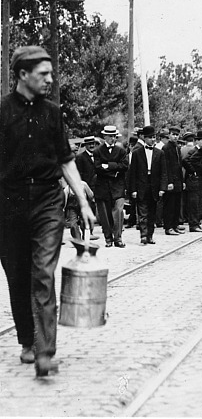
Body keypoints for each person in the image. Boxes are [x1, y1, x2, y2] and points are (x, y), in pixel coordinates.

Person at [0, 45, 94, 376]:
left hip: (47, 200)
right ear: (23, 75)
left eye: (51, 74)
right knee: (17, 275)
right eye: (44, 74)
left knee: (42, 272)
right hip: (8, 203)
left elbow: (66, 159)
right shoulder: (2, 113)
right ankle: (28, 341)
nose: (50, 80)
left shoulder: (53, 113)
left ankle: (44, 350)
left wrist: (81, 200)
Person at [127, 125, 167, 245]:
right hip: (141, 185)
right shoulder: (137, 153)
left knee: (152, 213)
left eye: (154, 137)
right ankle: (143, 235)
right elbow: (132, 173)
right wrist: (133, 189)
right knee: (142, 212)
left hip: (154, 186)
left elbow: (163, 172)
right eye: (150, 137)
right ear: (144, 138)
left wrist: (162, 188)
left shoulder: (160, 153)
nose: (152, 140)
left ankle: (150, 235)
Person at [94, 125, 129, 248]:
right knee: (104, 214)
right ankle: (108, 238)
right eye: (110, 136)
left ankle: (118, 238)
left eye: (114, 136)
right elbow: (97, 168)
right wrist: (115, 168)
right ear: (105, 137)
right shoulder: (97, 151)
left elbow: (125, 166)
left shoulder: (121, 151)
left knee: (118, 212)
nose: (113, 139)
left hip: (117, 187)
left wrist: (107, 166)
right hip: (102, 187)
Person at [182, 130, 202, 232]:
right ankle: (193, 224)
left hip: (201, 180)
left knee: (199, 202)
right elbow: (185, 160)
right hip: (194, 180)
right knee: (194, 203)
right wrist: (194, 171)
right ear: (198, 141)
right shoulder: (193, 151)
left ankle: (197, 223)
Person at [162, 125, 185, 236]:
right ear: (169, 135)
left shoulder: (177, 148)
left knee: (176, 205)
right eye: (173, 134)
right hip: (170, 182)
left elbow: (179, 166)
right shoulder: (166, 148)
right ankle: (168, 227)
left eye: (177, 135)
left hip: (178, 181)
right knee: (169, 205)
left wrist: (182, 181)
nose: (175, 137)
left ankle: (175, 225)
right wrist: (169, 182)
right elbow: (166, 167)